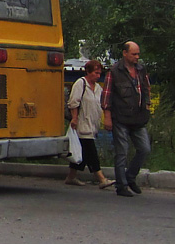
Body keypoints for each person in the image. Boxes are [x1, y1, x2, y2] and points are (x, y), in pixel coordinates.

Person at [102, 41, 152, 197]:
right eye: (134, 54)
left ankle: (130, 177)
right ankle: (121, 185)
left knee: (144, 148)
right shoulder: (115, 71)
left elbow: (146, 89)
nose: (137, 57)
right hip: (121, 118)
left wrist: (147, 106)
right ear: (125, 53)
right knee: (122, 152)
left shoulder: (141, 70)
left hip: (138, 118)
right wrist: (107, 117)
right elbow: (106, 96)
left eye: (138, 54)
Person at [64, 60, 114, 189]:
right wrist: (74, 118)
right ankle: (101, 178)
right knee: (90, 151)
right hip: (81, 123)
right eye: (95, 73)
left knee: (83, 152)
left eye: (99, 73)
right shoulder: (81, 84)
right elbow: (73, 102)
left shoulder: (98, 88)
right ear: (88, 72)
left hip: (93, 124)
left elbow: (103, 104)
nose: (98, 76)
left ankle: (71, 176)